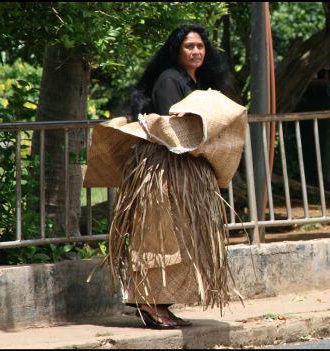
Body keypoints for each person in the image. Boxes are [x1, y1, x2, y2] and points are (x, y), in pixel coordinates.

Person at [109, 23, 237, 329]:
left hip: (186, 170)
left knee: (181, 238)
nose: (196, 52)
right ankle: (148, 303)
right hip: (166, 171)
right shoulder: (169, 80)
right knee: (160, 235)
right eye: (189, 47)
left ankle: (161, 304)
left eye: (200, 47)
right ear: (176, 51)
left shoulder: (196, 81)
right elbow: (173, 130)